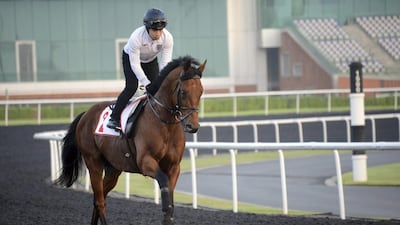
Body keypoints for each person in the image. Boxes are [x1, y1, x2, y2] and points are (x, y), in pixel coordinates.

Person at [107, 8, 174, 131]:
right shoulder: (136, 37)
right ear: (147, 28)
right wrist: (146, 83)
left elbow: (165, 62)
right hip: (131, 59)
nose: (158, 34)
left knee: (157, 89)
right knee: (131, 87)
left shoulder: (168, 38)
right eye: (155, 30)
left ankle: (153, 118)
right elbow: (135, 64)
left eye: (160, 30)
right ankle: (114, 117)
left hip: (150, 60)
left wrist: (160, 80)